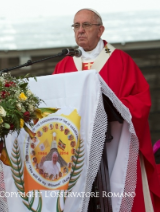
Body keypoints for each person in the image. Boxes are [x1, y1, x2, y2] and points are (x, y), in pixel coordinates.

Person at [53, 8, 160, 212]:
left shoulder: (120, 60)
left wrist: (117, 107)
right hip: (75, 145)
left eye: (86, 25)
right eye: (76, 26)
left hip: (114, 142)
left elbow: (141, 100)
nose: (80, 30)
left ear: (100, 30)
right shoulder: (64, 64)